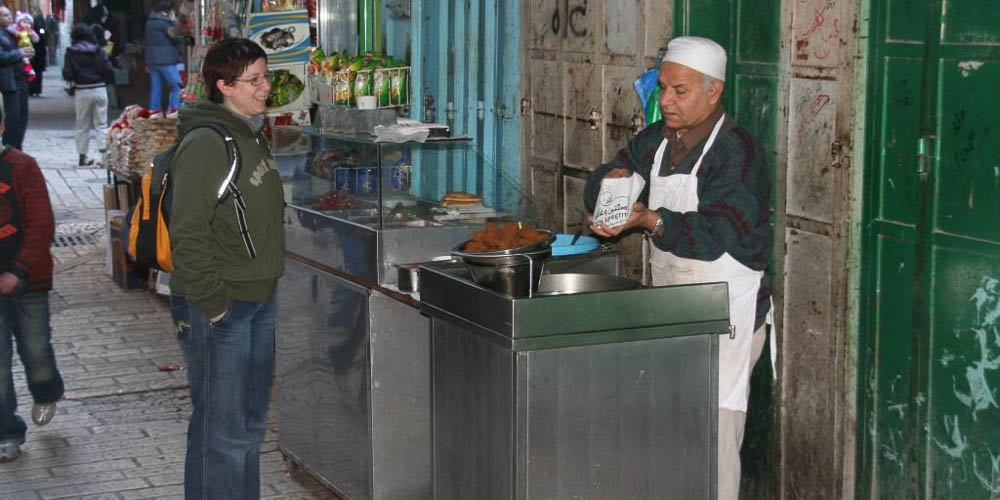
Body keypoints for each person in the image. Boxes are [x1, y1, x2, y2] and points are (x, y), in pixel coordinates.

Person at [584, 36, 774, 500]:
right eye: (663, 89)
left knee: (713, 429)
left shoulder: (738, 155)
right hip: (671, 303)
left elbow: (714, 235)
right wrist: (606, 191)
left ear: (714, 91)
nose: (665, 100)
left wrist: (650, 218)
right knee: (669, 423)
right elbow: (611, 174)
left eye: (679, 91)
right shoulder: (656, 141)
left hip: (726, 311)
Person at [168, 37, 285, 500]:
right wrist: (214, 304)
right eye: (254, 80)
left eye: (265, 76)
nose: (266, 87)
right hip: (224, 306)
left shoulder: (249, 132)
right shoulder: (206, 143)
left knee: (248, 426)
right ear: (223, 85)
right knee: (224, 431)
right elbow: (188, 231)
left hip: (259, 298)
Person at [0, 105, 64, 462]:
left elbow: (42, 224)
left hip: (30, 282)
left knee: (36, 352)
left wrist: (19, 270)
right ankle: (6, 430)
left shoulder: (22, 167)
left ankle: (46, 389)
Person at [62, 23, 113, 167]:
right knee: (101, 124)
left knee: (82, 124)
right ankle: (104, 155)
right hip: (99, 89)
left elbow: (67, 74)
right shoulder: (99, 51)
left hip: (82, 90)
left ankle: (82, 156)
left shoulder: (71, 51)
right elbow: (108, 70)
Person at [0, 6, 32, 150]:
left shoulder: (10, 33)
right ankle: (9, 150)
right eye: (5, 15)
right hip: (9, 81)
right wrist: (19, 53)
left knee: (22, 116)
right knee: (13, 118)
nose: (10, 18)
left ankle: (17, 149)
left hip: (19, 77)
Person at [145, 0, 184, 112]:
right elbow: (175, 37)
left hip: (152, 61)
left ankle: (154, 113)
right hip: (166, 60)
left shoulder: (150, 21)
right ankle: (175, 111)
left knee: (156, 88)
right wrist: (174, 21)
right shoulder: (165, 22)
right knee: (177, 86)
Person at [28, 10, 47, 96]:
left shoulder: (33, 28)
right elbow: (43, 35)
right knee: (37, 73)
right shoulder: (41, 26)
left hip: (34, 53)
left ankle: (32, 90)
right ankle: (36, 90)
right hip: (39, 53)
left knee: (32, 71)